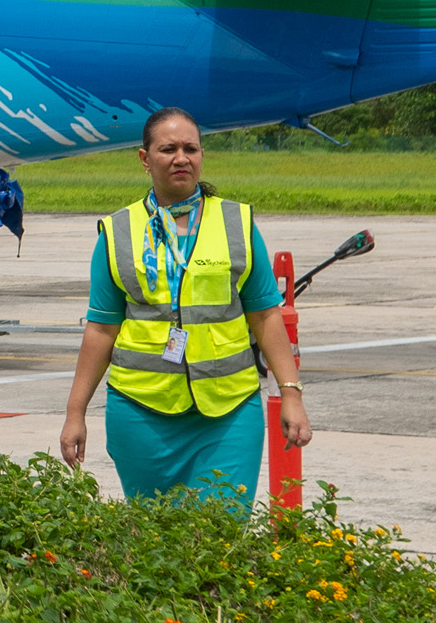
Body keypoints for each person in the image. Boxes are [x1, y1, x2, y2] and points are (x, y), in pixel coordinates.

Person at [58, 107, 311, 507]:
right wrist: (76, 412)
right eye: (168, 149)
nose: (181, 158)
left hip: (227, 410)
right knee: (155, 538)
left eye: (191, 148)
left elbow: (265, 315)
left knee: (223, 527)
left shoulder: (236, 222)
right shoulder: (118, 231)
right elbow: (101, 329)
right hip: (142, 411)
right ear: (145, 159)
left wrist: (291, 394)